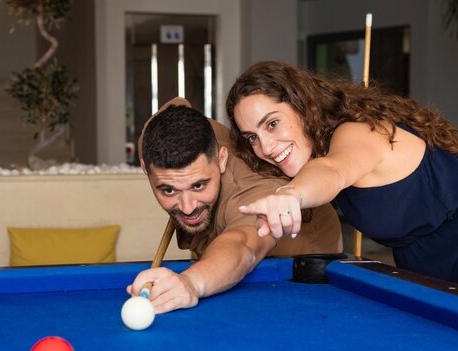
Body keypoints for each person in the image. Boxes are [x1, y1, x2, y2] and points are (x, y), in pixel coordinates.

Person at [226, 61, 458, 309]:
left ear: (302, 105)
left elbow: (332, 171)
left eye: (272, 124)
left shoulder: (355, 133)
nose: (265, 147)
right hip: (433, 268)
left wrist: (291, 194)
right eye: (252, 137)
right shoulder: (322, 145)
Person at [127, 97, 343, 313]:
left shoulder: (253, 195)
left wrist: (191, 282)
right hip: (220, 261)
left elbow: (243, 245)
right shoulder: (157, 136)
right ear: (145, 168)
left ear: (221, 160)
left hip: (304, 259)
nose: (187, 207)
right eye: (169, 190)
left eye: (199, 185)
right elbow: (179, 102)